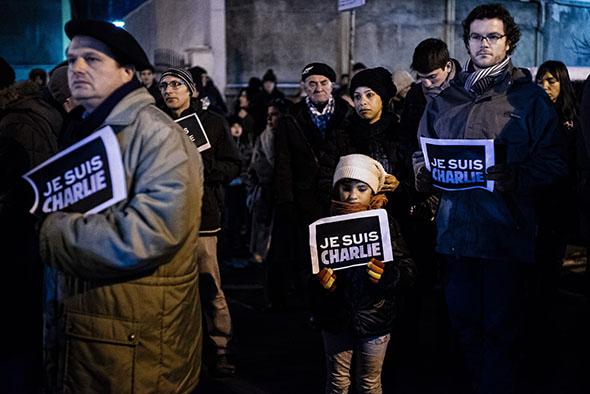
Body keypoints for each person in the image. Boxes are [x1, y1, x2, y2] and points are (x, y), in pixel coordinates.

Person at [39, 19, 204, 392]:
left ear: (128, 72)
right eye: (72, 59)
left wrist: (48, 231)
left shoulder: (157, 135)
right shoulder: (86, 126)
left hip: (133, 344)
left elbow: (150, 233)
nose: (76, 68)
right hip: (97, 332)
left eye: (92, 60)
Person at [414, 5, 567, 393]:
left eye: (493, 36)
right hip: (455, 236)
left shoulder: (529, 99)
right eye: (477, 37)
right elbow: (420, 151)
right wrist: (424, 173)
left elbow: (555, 160)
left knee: (502, 333)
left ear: (508, 41)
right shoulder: (444, 99)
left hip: (505, 235)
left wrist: (517, 177)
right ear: (466, 42)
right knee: (462, 328)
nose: (484, 44)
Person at [159, 66, 241, 376]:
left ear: (191, 90)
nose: (169, 90)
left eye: (176, 84)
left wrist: (204, 172)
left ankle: (219, 345)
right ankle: (177, 348)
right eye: (164, 85)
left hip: (204, 217)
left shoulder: (213, 123)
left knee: (209, 283)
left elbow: (234, 164)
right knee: (172, 288)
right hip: (166, 218)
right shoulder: (156, 124)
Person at [312, 154, 416, 394]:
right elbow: (306, 271)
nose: (352, 195)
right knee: (337, 382)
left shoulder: (385, 224)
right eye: (345, 188)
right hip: (335, 317)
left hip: (375, 318)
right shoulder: (323, 223)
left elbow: (408, 269)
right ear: (335, 189)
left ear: (373, 192)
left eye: (361, 188)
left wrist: (386, 275)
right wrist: (321, 284)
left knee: (370, 384)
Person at [0, 57, 61, 394]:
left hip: (21, 240)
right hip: (28, 237)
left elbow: (24, 189)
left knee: (18, 334)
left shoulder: (17, 123)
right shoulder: (27, 113)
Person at [273, 62, 352, 308]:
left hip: (338, 195)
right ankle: (311, 305)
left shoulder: (346, 113)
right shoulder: (290, 117)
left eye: (324, 83)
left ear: (332, 86)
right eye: (312, 84)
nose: (318, 88)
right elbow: (283, 162)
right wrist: (286, 199)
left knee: (339, 252)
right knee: (309, 255)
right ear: (304, 87)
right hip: (304, 198)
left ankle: (339, 301)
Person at [400, 38, 460, 152]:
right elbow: (406, 136)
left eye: (432, 77)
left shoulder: (467, 89)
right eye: (421, 77)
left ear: (447, 66)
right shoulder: (414, 94)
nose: (427, 84)